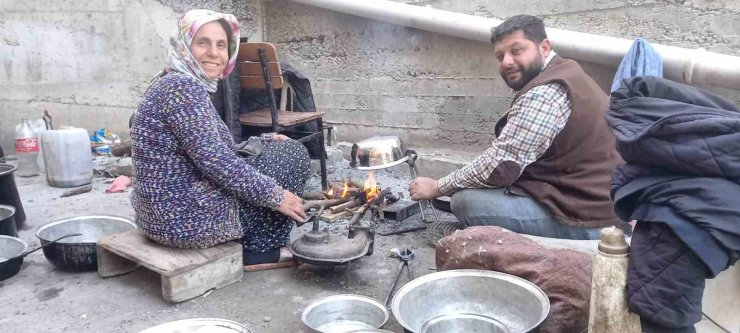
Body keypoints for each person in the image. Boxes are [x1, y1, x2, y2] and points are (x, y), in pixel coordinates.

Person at [409, 15, 623, 240]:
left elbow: (500, 165)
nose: (507, 62)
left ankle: (544, 242)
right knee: (478, 187)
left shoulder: (545, 94)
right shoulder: (564, 70)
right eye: (500, 56)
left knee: (464, 202)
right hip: (584, 195)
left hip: (590, 218)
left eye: (517, 51)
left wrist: (437, 187)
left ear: (544, 47)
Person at [130, 9, 310, 268]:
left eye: (221, 45)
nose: (214, 53)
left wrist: (264, 141)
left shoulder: (169, 80)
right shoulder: (183, 88)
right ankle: (259, 250)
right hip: (183, 222)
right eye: (202, 42)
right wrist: (277, 196)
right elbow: (218, 164)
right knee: (292, 155)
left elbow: (205, 150)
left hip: (162, 216)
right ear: (184, 45)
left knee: (276, 147)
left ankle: (256, 239)